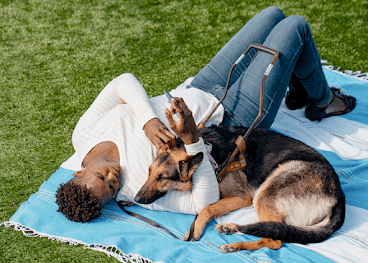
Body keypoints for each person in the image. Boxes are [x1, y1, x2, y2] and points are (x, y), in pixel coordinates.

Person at [55, 6, 356, 223]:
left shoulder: (83, 135)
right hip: (232, 118)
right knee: (295, 27)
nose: (114, 176)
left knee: (273, 15)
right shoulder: (137, 186)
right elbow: (204, 201)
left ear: (79, 172)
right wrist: (193, 140)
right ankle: (324, 99)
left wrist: (149, 121)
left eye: (101, 176)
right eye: (111, 187)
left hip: (198, 87)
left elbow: (122, 83)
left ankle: (303, 87)